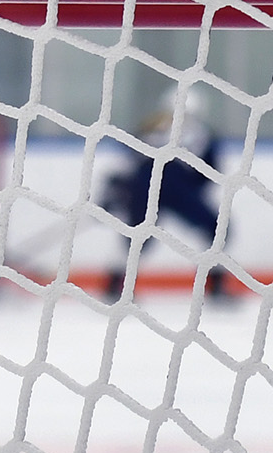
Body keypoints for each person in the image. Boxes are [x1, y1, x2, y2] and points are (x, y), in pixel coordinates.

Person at [95, 81, 235, 303]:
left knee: (135, 238)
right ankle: (216, 285)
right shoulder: (203, 135)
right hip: (176, 187)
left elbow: (128, 163)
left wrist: (117, 189)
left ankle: (114, 285)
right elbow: (210, 171)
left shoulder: (149, 128)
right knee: (216, 230)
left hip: (149, 185)